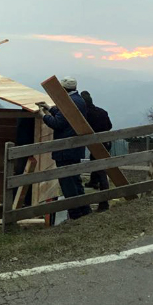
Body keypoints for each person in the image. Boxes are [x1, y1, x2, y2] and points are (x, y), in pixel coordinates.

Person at [38, 77, 92, 220]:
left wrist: (43, 116)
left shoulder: (70, 102)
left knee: (67, 182)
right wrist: (50, 108)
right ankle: (84, 210)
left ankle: (75, 213)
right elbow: (64, 113)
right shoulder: (78, 100)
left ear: (63, 89)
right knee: (75, 180)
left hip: (65, 150)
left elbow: (58, 123)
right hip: (75, 148)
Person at [80, 91, 112, 212]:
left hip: (96, 143)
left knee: (101, 170)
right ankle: (93, 182)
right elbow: (109, 126)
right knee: (95, 160)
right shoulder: (102, 111)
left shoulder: (85, 114)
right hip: (106, 142)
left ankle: (104, 202)